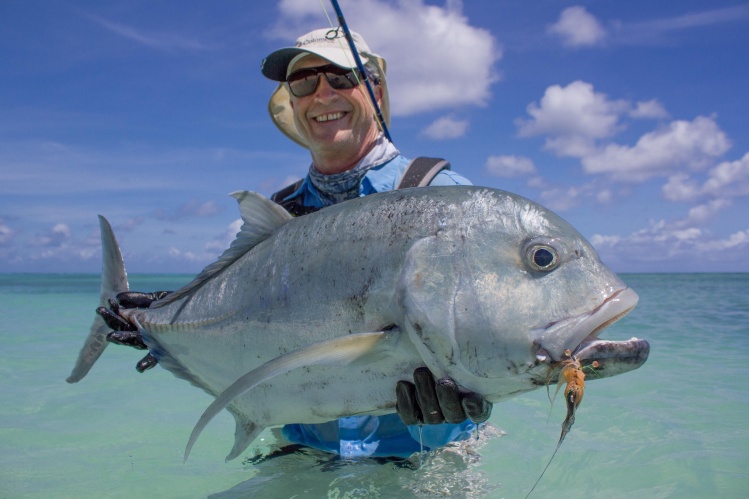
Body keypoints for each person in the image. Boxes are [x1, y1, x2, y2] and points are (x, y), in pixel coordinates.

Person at [103, 27, 492, 460]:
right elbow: (242, 317)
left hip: (424, 460)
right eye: (304, 82)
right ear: (293, 101)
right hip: (303, 453)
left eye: (342, 77)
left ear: (376, 92)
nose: (323, 95)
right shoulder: (280, 211)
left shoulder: (443, 201)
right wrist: (167, 322)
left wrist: (478, 390)